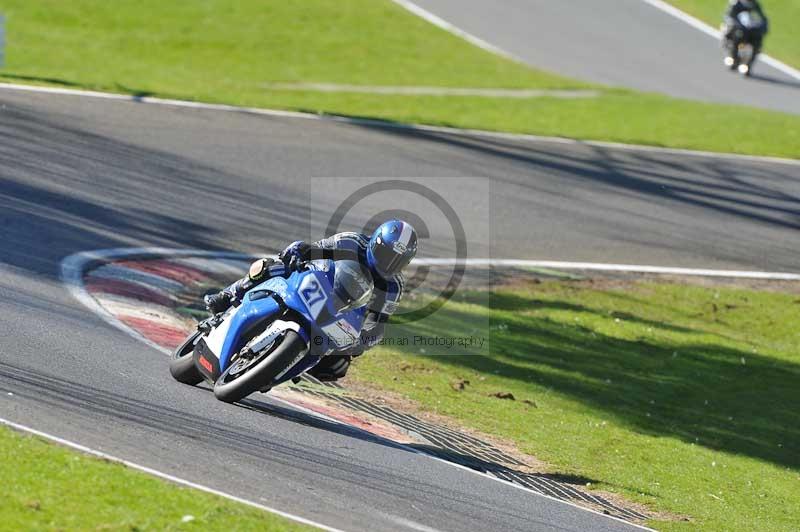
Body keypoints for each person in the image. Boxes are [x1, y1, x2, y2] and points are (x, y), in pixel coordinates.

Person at [204, 220, 418, 381]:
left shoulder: (394, 286)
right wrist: (298, 253)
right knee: (274, 265)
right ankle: (229, 294)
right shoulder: (353, 242)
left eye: (398, 261)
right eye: (387, 254)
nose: (389, 263)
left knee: (338, 366)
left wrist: (360, 344)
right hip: (319, 282)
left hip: (341, 313)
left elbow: (377, 324)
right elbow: (311, 248)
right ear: (376, 242)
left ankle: (286, 367)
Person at [723, 0, 768, 68]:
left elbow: (762, 17)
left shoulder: (754, 4)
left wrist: (764, 26)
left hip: (748, 27)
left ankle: (750, 62)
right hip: (737, 26)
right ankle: (732, 53)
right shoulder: (736, 3)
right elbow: (729, 15)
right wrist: (735, 23)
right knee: (729, 31)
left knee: (757, 40)